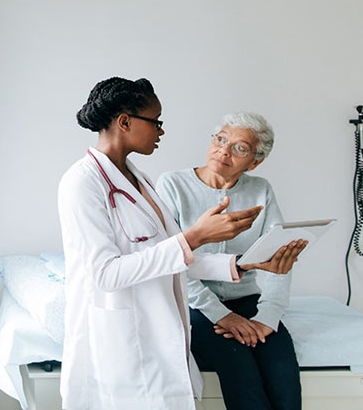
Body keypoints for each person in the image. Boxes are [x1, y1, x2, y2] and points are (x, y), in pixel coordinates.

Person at [57, 78, 306, 410]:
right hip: (120, 335)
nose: (161, 131)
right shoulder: (82, 182)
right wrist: (196, 236)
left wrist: (241, 264)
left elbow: (173, 256)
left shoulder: (138, 180)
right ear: (125, 122)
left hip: (159, 323)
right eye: (155, 121)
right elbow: (105, 274)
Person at [155, 112, 305, 410]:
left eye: (239, 148)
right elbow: (170, 261)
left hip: (246, 300)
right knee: (241, 370)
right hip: (193, 306)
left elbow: (279, 258)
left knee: (283, 372)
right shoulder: (173, 185)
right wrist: (220, 315)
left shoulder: (261, 189)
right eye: (221, 139)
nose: (224, 151)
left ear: (254, 162)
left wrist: (267, 317)